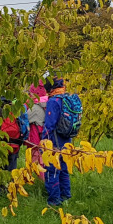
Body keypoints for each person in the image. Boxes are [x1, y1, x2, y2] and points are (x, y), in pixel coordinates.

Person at [42, 77, 78, 207]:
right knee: (63, 169)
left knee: (53, 170)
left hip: (55, 142)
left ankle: (54, 200)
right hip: (66, 140)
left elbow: (49, 125)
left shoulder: (53, 101)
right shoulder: (66, 98)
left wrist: (44, 142)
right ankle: (66, 196)